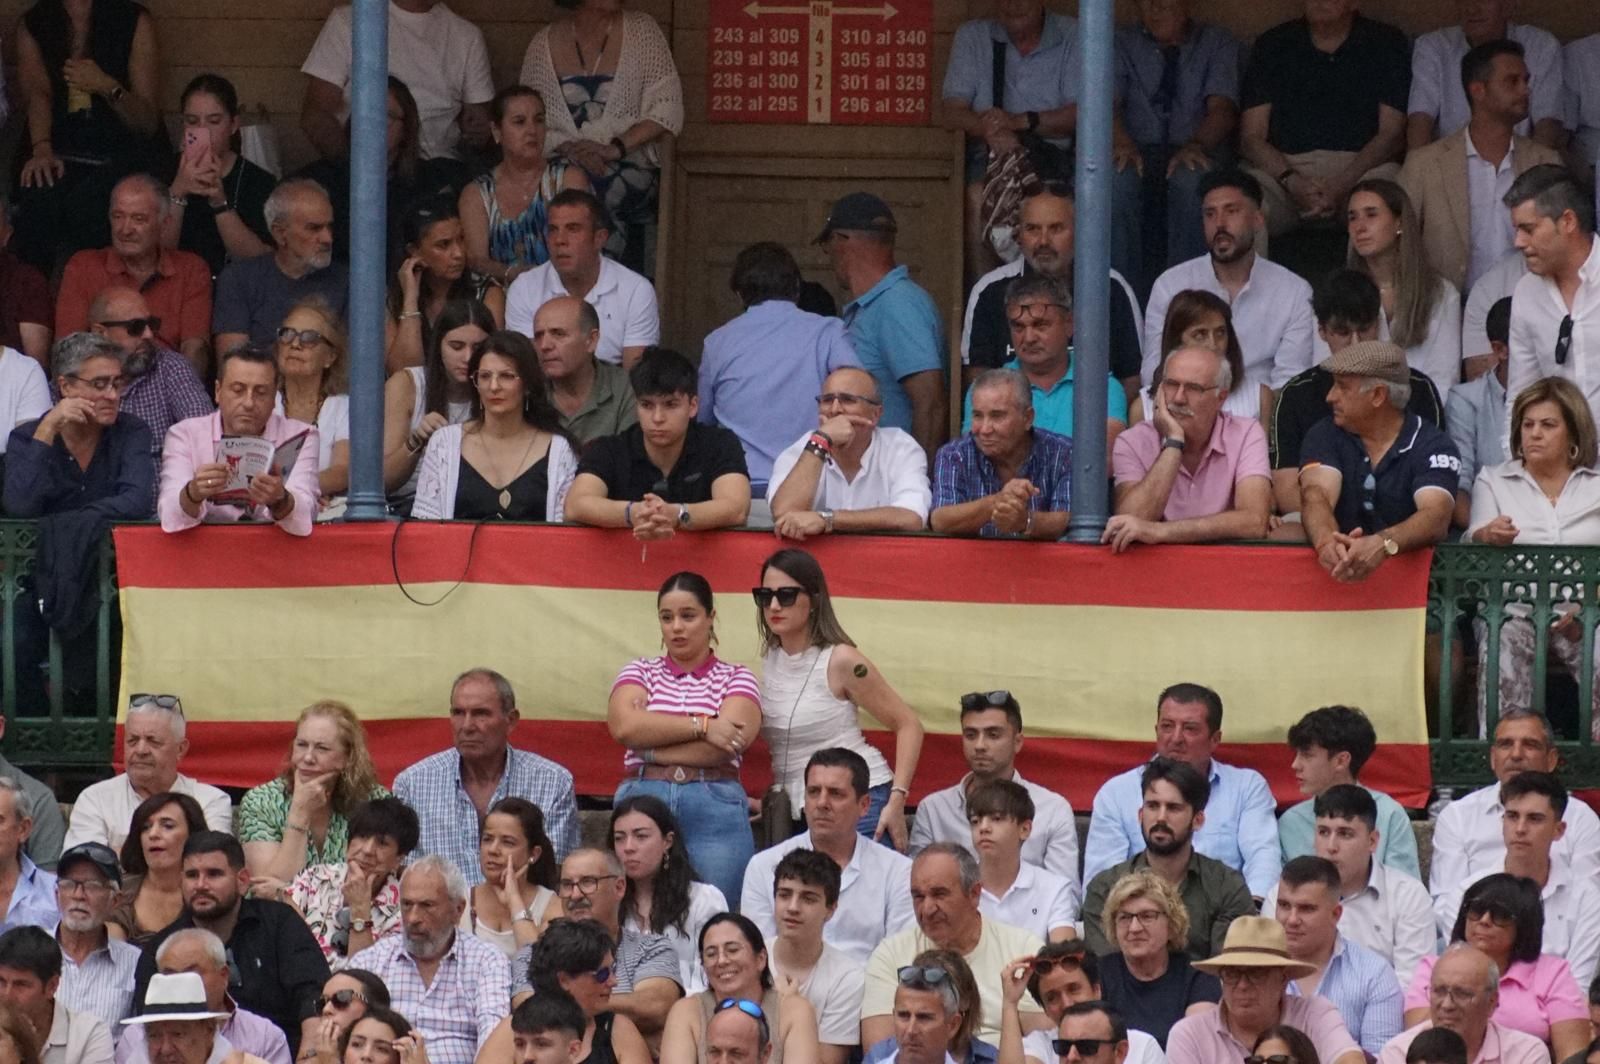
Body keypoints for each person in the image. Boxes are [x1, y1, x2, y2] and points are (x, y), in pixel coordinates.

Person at [2, 333, 152, 699]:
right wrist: (48, 428)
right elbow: (19, 505)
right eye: (99, 384)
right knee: (14, 641)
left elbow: (136, 500)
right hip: (37, 583)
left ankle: (104, 748)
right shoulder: (28, 437)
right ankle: (35, 744)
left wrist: (66, 523)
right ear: (65, 386)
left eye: (118, 383)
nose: (113, 395)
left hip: (112, 583)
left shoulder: (131, 432)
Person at [606, 571, 760, 904]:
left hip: (713, 801)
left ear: (710, 618)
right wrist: (704, 725)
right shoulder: (639, 670)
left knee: (720, 914)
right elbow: (624, 728)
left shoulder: (737, 675)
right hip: (643, 799)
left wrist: (648, 748)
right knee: (634, 912)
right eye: (667, 617)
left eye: (688, 616)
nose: (677, 626)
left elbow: (726, 747)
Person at [755, 549, 923, 845]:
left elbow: (908, 724)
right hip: (798, 811)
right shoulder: (769, 659)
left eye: (787, 595)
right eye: (765, 596)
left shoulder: (842, 659)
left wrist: (897, 800)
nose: (775, 605)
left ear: (814, 600)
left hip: (857, 802)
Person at [1467, 378, 1600, 728]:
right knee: (1500, 647)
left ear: (1573, 434)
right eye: (1528, 425)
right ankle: (1507, 763)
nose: (1535, 434)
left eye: (1548, 425)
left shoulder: (1595, 486)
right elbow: (1473, 535)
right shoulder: (1493, 480)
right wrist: (1487, 534)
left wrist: (1588, 611)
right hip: (1514, 613)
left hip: (1585, 614)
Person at [516, 0, 683, 273]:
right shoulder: (542, 43)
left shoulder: (643, 31)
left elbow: (668, 108)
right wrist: (571, 149)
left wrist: (614, 148)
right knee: (563, 187)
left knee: (600, 189)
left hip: (627, 162)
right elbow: (529, 115)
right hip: (564, 160)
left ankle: (598, 285)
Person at [131, 832, 329, 1056]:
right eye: (192, 875)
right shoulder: (162, 949)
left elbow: (313, 998)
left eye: (214, 874)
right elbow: (148, 1026)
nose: (201, 885)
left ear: (242, 880)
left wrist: (311, 1059)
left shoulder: (278, 924)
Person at [1271, 271, 1446, 518]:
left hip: (1401, 521)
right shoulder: (1296, 395)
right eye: (1342, 332)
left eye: (1364, 329)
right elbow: (1287, 493)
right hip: (1321, 523)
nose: (1355, 343)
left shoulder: (1416, 387)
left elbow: (1437, 477)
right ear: (1321, 331)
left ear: (1379, 323)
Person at [1142, 170, 1314, 421]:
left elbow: (1290, 382)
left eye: (1231, 211)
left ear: (1257, 219)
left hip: (1258, 420)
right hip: (1182, 413)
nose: (1219, 223)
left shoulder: (1293, 291)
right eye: (1210, 214)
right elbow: (1153, 372)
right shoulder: (1171, 285)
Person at [1085, 683, 1279, 901]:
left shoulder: (1246, 787)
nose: (1176, 738)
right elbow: (1102, 884)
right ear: (1156, 730)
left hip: (1225, 919)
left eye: (1190, 729)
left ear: (1215, 739)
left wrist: (1250, 921)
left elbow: (1263, 860)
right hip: (1141, 919)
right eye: (1167, 726)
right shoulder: (1117, 793)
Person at [10, 0, 163, 273]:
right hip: (60, 150)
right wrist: (42, 148)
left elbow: (147, 122)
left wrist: (106, 86)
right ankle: (35, 305)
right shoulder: (35, 22)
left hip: (120, 154)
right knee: (37, 194)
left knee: (92, 203)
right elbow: (37, 94)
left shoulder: (133, 19)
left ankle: (102, 301)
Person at [1237, 0, 1409, 241]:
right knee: (1237, 206)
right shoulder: (1274, 43)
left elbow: (1392, 134)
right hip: (1283, 175)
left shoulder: (1385, 41)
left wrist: (1342, 184)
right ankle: (1244, 281)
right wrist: (1292, 181)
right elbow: (1251, 138)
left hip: (1362, 172)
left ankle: (1373, 281)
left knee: (1383, 199)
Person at [1399, 41, 1562, 295]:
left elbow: (1564, 246)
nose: (1525, 89)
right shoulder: (1424, 165)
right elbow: (1401, 245)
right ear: (1478, 90)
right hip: (1448, 308)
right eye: (1512, 81)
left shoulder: (1545, 162)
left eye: (1526, 80)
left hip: (1530, 306)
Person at [392, 667, 579, 884]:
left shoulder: (552, 783)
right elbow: (403, 873)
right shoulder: (413, 784)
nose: (467, 726)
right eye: (458, 713)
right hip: (442, 916)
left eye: (481, 713)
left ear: (511, 720)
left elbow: (553, 874)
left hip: (526, 915)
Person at [698, 242, 861, 490]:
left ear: (739, 294)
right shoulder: (827, 332)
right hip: (812, 485)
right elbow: (858, 400)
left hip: (737, 488)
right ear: (797, 289)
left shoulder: (716, 343)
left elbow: (701, 420)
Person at [961, 182, 1145, 400]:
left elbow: (1131, 381)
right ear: (1018, 235)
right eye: (1032, 229)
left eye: (1056, 228)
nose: (1043, 241)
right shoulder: (989, 291)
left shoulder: (1111, 289)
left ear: (1079, 232)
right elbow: (978, 381)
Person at [939, 0, 1081, 280]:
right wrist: (991, 130)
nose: (1013, 4)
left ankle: (1063, 295)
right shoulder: (972, 36)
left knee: (1063, 205)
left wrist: (1020, 122)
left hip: (1055, 155)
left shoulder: (1072, 34)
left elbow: (1085, 112)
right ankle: (990, 292)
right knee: (977, 197)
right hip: (991, 153)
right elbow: (951, 112)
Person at [1299, 341, 1459, 583]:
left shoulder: (1433, 444)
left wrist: (1383, 544)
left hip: (1419, 596)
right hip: (1336, 585)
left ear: (1377, 395)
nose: (1330, 396)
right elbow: (1316, 494)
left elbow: (1436, 517)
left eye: (1342, 387)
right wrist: (1325, 542)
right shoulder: (1324, 434)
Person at [861, 843, 1048, 1046]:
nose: (927, 909)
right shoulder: (890, 955)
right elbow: (879, 1052)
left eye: (939, 894)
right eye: (918, 897)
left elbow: (1044, 1045)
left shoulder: (1022, 949)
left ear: (974, 893)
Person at [741, 750, 915, 964]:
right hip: (786, 989)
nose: (822, 803)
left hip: (868, 992)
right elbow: (759, 956)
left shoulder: (898, 871)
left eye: (835, 794)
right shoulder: (764, 866)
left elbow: (899, 961)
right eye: (813, 792)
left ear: (864, 805)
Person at [1112, 0, 1242, 281]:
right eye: (1146, 1)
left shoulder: (1216, 41)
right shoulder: (1121, 41)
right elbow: (1106, 106)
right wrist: (1121, 142)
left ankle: (1185, 299)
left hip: (1197, 147)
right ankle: (1120, 302)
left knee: (1192, 180)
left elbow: (1222, 111)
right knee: (1114, 181)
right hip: (1137, 149)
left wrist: (1195, 146)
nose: (1155, 7)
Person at [1434, 774, 1600, 990]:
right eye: (1512, 816)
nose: (1520, 828)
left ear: (1559, 830)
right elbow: (1465, 976)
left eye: (1534, 819)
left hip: (1558, 1016)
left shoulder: (1587, 898)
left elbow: (1579, 986)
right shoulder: (1467, 893)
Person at [563, 348, 751, 535]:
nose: (658, 417)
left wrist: (678, 515)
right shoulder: (609, 449)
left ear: (693, 406)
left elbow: (736, 509)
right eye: (647, 405)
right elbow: (575, 506)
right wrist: (633, 513)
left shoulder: (720, 444)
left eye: (670, 404)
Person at [1082, 759, 1255, 960]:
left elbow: (1225, 970)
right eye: (1153, 806)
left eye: (1173, 808)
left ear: (1198, 820)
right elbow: (1108, 971)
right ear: (1140, 815)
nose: (1161, 818)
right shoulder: (1104, 888)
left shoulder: (1227, 886)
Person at [817, 193, 946, 463]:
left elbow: (931, 403)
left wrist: (919, 483)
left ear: (841, 242)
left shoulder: (897, 303)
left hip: (894, 483)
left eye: (827, 246)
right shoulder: (876, 304)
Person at [1104, 343, 1271, 551]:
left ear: (1221, 398)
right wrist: (1173, 442)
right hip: (1155, 573)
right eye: (1172, 384)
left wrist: (1159, 532)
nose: (1179, 398)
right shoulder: (1132, 441)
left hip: (1225, 570)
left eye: (1193, 388)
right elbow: (1131, 519)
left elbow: (1254, 521)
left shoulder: (1246, 433)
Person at [504, 849, 683, 1041]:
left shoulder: (651, 948)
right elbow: (529, 1010)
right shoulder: (531, 954)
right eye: (566, 885)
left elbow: (655, 1007)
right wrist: (640, 1035)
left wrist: (565, 1004)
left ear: (619, 887)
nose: (574, 894)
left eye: (587, 882)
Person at [1404, 874, 1589, 1060]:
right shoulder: (1434, 967)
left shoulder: (1553, 974)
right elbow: (1417, 1037)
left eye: (1500, 915)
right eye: (1476, 911)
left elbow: (1573, 1055)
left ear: (1524, 924)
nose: (1484, 921)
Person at [345, 856, 510, 1064]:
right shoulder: (372, 960)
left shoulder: (487, 960)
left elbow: (494, 1038)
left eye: (427, 905)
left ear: (458, 910)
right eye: (406, 905)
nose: (413, 918)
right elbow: (343, 1029)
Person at [915, 690, 1083, 885]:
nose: (979, 745)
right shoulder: (933, 810)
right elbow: (916, 890)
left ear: (1017, 742)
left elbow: (1065, 896)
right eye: (970, 735)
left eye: (993, 735)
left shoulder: (1053, 809)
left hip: (1030, 915)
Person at [410, 330, 578, 522]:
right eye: (485, 376)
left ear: (528, 385)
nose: (494, 386)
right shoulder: (444, 443)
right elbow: (426, 531)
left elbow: (565, 536)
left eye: (506, 376)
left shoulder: (558, 450)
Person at [300, 0, 493, 165]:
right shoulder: (349, 20)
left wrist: (478, 132)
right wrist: (353, 170)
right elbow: (316, 115)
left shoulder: (467, 36)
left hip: (437, 171)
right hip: (359, 167)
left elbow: (479, 124)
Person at [1431, 711, 1600, 899]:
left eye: (1530, 745)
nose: (1516, 754)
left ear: (1551, 759)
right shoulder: (1458, 817)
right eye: (1506, 744)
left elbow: (1589, 901)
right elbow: (1446, 906)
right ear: (1493, 758)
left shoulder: (1579, 818)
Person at [157, 344, 320, 536]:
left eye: (261, 393)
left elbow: (307, 512)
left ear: (274, 397)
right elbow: (169, 514)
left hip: (275, 554)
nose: (249, 403)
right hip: (203, 554)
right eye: (237, 390)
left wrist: (280, 499)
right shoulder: (184, 434)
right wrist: (193, 493)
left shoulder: (302, 435)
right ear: (218, 391)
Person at [293, 77, 459, 266]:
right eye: (368, 114)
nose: (375, 124)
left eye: (387, 116)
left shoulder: (430, 182)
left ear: (406, 128)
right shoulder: (317, 181)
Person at [55, 176, 212, 376]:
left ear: (165, 224)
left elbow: (195, 349)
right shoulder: (84, 266)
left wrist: (183, 393)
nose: (125, 229)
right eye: (118, 216)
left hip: (168, 387)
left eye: (139, 219)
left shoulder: (191, 269)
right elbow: (69, 349)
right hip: (100, 386)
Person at [237, 702, 389, 899]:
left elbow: (373, 885)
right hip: (280, 926)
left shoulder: (376, 802)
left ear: (347, 757)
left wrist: (286, 891)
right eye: (301, 745)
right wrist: (300, 812)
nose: (307, 757)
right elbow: (266, 894)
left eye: (322, 748)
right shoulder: (261, 801)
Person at [960, 274, 1128, 449]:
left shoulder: (1102, 387)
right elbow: (974, 461)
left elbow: (1104, 461)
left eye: (1040, 325)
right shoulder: (985, 389)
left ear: (1069, 324)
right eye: (1018, 327)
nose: (1029, 337)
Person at [1166, 916, 1363, 1064]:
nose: (1242, 985)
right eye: (1232, 974)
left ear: (1283, 979)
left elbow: (1350, 1060)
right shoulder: (1190, 1034)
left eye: (1256, 973)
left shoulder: (1314, 1014)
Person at [1292, 785, 1433, 990]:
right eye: (1323, 832)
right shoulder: (1286, 895)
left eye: (1345, 834)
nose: (1331, 846)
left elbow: (1413, 987)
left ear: (1372, 841)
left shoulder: (1408, 896)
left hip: (1384, 1017)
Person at [1335, 180, 1463, 402]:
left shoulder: (1441, 293)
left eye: (1371, 214)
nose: (1360, 226)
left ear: (1399, 222)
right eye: (1352, 217)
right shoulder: (1338, 294)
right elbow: (1324, 369)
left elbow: (1444, 380)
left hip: (1421, 420)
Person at [767, 366, 931, 536]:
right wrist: (821, 442)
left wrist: (827, 519)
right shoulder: (804, 448)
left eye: (847, 400)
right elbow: (784, 514)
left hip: (882, 559)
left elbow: (911, 517)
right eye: (828, 400)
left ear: (875, 414)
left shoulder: (900, 447)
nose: (835, 410)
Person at [504, 190, 658, 368]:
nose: (560, 240)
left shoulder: (636, 290)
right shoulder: (523, 288)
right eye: (553, 230)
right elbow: (527, 369)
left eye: (573, 229)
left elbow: (636, 376)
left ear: (600, 238)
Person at [1271, 857, 1404, 1057]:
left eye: (1306, 908)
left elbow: (1381, 1059)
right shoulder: (1252, 971)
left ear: (1336, 914)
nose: (1291, 920)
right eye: (1283, 905)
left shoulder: (1374, 974)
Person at [460, 86, 590, 287]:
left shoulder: (569, 179)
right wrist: (515, 275)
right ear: (496, 131)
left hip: (563, 292)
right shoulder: (476, 194)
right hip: (501, 299)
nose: (532, 130)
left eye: (539, 120)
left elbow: (581, 247)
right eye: (519, 122)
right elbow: (477, 261)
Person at [1504, 166, 1600, 430]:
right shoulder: (1526, 292)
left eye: (1528, 229)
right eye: (1516, 230)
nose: (1518, 242)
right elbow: (1522, 394)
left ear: (1568, 222)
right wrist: (1519, 463)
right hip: (1556, 464)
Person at [1277, 706, 1420, 878]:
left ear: (1341, 761)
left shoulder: (1389, 814)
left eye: (1307, 755)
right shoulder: (1290, 823)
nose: (1295, 765)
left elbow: (1406, 892)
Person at [931, 369, 1072, 539]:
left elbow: (1068, 520)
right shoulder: (954, 454)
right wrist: (996, 503)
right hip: (973, 564)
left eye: (997, 416)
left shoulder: (1064, 453)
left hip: (1044, 564)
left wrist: (1025, 520)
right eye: (977, 416)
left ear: (1027, 418)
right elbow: (940, 520)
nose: (984, 429)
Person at [212, 179, 348, 355]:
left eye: (329, 227)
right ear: (279, 233)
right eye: (314, 228)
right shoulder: (240, 280)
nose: (327, 238)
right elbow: (234, 367)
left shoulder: (348, 282)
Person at [1405, 3, 1565, 151]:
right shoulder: (1435, 46)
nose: (1472, 9)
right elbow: (1420, 120)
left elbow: (1548, 124)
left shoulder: (1540, 45)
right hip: (1448, 163)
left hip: (1520, 160)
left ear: (1508, 4)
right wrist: (1419, 170)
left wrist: (1532, 173)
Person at [659, 914, 819, 1063]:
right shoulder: (686, 1011)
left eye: (733, 950)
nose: (721, 961)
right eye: (711, 954)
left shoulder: (794, 1011)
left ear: (761, 959)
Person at [118, 928, 290, 1064]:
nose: (165, 1049)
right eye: (153, 1036)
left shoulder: (257, 1048)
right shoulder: (134, 1045)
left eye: (178, 1034)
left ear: (209, 1031)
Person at [284, 798, 418, 969]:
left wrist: (360, 910)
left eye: (382, 843)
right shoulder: (315, 877)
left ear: (399, 859)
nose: (368, 850)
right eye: (362, 837)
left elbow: (365, 976)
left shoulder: (404, 910)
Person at [161, 75, 274, 278]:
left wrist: (220, 203)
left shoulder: (257, 181)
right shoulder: (163, 171)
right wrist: (177, 192)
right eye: (192, 121)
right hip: (175, 288)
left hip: (234, 292)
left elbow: (260, 262)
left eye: (214, 121)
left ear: (233, 125)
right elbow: (153, 255)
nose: (202, 130)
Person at [1092, 871, 1221, 1047]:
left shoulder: (1198, 977)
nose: (1134, 928)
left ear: (1171, 923)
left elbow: (1197, 1047)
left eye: (1147, 916)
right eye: (1125, 917)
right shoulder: (1098, 974)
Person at [85, 288, 212, 464]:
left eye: (151, 324)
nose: (149, 334)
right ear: (100, 333)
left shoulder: (170, 367)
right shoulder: (75, 377)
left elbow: (204, 436)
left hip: (167, 489)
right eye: (135, 327)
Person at [381, 298, 488, 506]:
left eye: (478, 348)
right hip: (404, 506)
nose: (468, 357)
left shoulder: (497, 388)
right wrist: (416, 441)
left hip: (469, 508)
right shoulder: (407, 383)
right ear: (438, 345)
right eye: (456, 347)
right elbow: (384, 481)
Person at [610, 796, 720, 993]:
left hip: (691, 1011)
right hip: (624, 1012)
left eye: (641, 836)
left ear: (667, 841)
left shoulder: (703, 899)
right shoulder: (609, 902)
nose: (628, 847)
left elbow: (714, 970)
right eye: (619, 838)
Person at [384, 197, 505, 375]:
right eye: (443, 245)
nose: (458, 253)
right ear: (414, 251)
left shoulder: (486, 292)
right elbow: (403, 372)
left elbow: (490, 362)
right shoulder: (397, 297)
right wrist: (410, 298)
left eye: (461, 239)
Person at [765, 849, 865, 1064]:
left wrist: (792, 1011)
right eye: (784, 895)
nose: (792, 907)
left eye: (808, 899)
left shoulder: (847, 978)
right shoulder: (749, 961)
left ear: (830, 909)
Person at [503, 919, 652, 1064]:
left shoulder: (619, 1030)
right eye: (602, 974)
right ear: (564, 980)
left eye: (612, 970)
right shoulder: (513, 1029)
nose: (614, 981)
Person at [1377, 945, 1553, 1064]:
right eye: (1439, 991)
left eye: (1462, 994)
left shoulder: (1525, 1054)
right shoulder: (1398, 1053)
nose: (1446, 1005)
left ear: (1492, 1002)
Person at [969, 780, 1077, 942]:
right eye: (975, 821)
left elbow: (1064, 958)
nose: (983, 828)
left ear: (1025, 829)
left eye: (996, 819)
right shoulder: (957, 886)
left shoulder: (1054, 888)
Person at [461, 797, 562, 960]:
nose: (493, 850)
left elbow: (541, 968)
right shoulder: (459, 902)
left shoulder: (552, 906)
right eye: (487, 839)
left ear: (534, 854)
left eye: (507, 842)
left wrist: (514, 901)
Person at [54, 843, 139, 1028]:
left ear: (115, 900)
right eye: (69, 884)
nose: (78, 895)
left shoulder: (134, 964)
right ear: (56, 894)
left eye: (92, 886)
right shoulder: (27, 952)